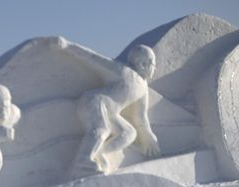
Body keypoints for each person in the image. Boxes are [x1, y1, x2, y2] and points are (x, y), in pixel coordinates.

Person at [50, 36, 160, 175]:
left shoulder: (143, 88)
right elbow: (93, 58)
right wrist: (67, 45)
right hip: (95, 102)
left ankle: (99, 153)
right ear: (143, 64)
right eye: (153, 64)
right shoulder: (124, 72)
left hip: (110, 113)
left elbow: (140, 115)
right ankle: (83, 160)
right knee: (102, 129)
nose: (154, 68)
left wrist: (147, 134)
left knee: (129, 133)